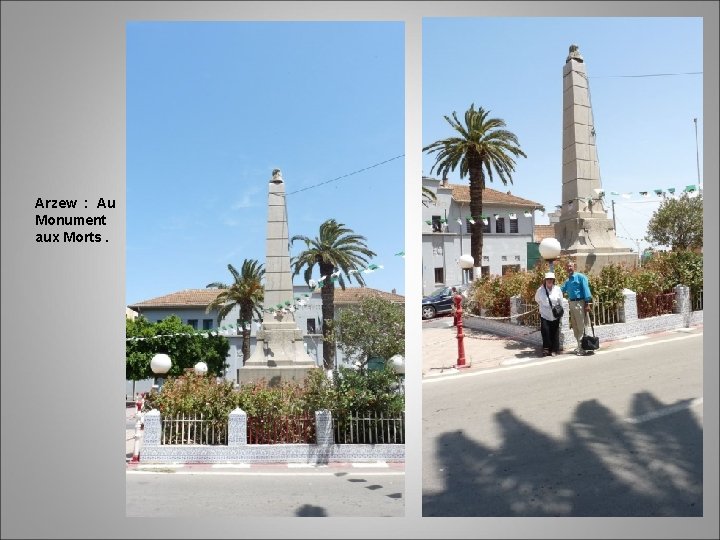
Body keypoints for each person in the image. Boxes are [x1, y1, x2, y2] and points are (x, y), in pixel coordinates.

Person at [560, 261, 593, 355]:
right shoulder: (568, 280)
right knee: (575, 326)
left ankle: (583, 348)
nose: (569, 268)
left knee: (581, 326)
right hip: (572, 303)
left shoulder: (581, 277)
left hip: (580, 303)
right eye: (567, 266)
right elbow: (561, 289)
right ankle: (579, 345)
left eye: (570, 266)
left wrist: (587, 303)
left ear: (574, 267)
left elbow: (586, 290)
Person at [534, 272, 563, 356]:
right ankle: (546, 349)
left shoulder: (557, 289)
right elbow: (537, 299)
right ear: (545, 280)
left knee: (554, 332)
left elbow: (560, 301)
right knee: (545, 332)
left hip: (555, 315)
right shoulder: (540, 290)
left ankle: (554, 350)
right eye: (548, 279)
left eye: (551, 279)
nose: (549, 281)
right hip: (544, 314)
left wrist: (560, 313)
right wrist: (543, 306)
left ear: (553, 280)